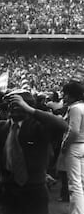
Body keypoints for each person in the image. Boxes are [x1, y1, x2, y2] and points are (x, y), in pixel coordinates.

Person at [0, 90, 69, 214]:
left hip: (35, 188)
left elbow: (63, 126)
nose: (13, 108)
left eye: (19, 105)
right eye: (11, 104)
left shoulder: (38, 127)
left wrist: (31, 110)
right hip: (8, 189)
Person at [61, 81, 84, 214]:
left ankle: (77, 212)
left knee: (75, 184)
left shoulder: (75, 108)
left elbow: (73, 131)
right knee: (81, 182)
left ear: (71, 95)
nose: (64, 97)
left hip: (74, 147)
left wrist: (65, 144)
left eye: (66, 94)